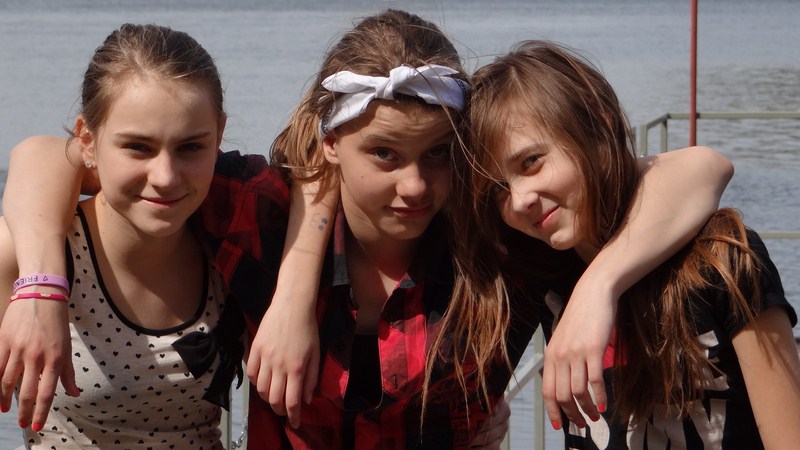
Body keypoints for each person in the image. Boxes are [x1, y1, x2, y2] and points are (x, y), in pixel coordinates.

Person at [1, 11, 733, 449]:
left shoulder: (494, 241)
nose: (414, 187)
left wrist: (598, 286)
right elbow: (46, 157)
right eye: (384, 155)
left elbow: (701, 167)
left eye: (438, 156)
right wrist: (40, 285)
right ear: (330, 144)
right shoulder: (262, 214)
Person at [463, 39, 800, 449]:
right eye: (498, 188)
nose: (519, 200)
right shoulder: (544, 278)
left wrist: (597, 286)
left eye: (531, 162)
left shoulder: (722, 260)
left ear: (597, 124)